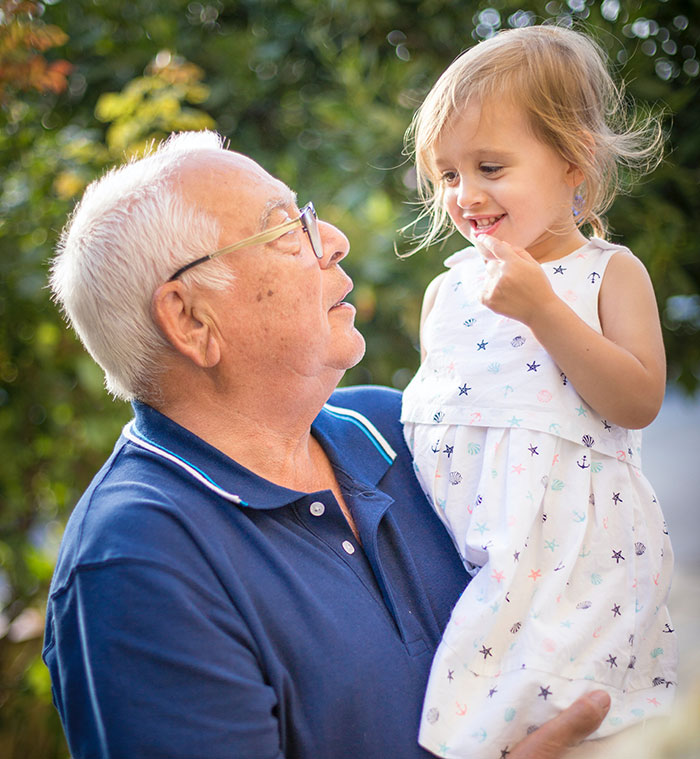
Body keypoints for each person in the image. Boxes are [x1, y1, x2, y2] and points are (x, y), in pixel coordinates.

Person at [43, 130, 610, 759]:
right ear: (191, 319)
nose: (334, 240)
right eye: (286, 228)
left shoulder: (405, 429)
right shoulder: (137, 563)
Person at [400, 24, 677, 759]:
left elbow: (638, 397)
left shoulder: (607, 273)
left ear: (571, 161)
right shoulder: (446, 291)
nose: (466, 195)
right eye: (448, 174)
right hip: (470, 554)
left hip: (573, 561)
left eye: (491, 165)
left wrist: (544, 311)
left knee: (566, 720)